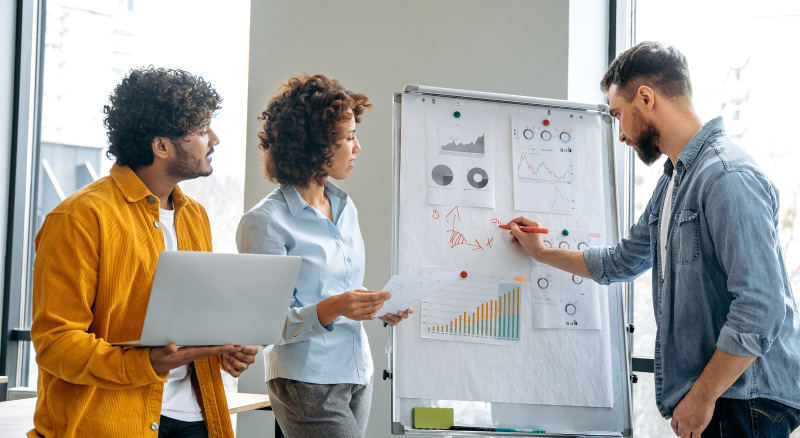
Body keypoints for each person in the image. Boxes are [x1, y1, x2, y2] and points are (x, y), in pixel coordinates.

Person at [507, 42, 800, 438]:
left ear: (645, 98)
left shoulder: (727, 177)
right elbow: (622, 261)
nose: (622, 134)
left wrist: (702, 396)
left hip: (743, 401)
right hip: (725, 400)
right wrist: (541, 253)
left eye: (618, 115)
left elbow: (761, 306)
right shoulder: (675, 182)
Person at [29, 67, 258, 438]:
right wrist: (146, 362)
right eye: (201, 130)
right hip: (111, 424)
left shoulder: (194, 216)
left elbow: (190, 321)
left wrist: (223, 349)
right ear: (162, 146)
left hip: (198, 421)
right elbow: (56, 343)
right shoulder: (80, 217)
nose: (213, 139)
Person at [236, 74, 412, 437]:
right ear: (314, 146)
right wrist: (336, 307)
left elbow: (336, 287)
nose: (357, 147)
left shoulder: (345, 206)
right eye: (347, 138)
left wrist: (374, 304)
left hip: (356, 370)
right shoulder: (265, 223)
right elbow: (266, 325)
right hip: (307, 379)